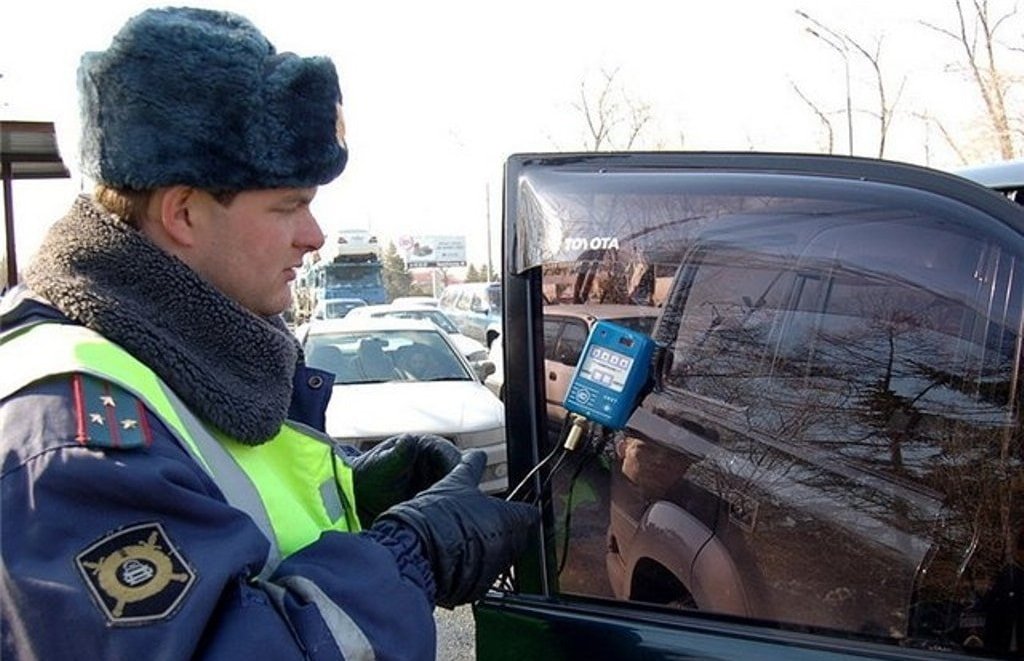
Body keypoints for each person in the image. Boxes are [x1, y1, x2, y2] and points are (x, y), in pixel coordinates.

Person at [0, 7, 537, 660]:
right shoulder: (70, 438)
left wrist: (362, 496)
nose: (314, 236)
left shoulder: (175, 354)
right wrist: (411, 553)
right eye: (288, 206)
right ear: (184, 213)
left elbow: (228, 526)